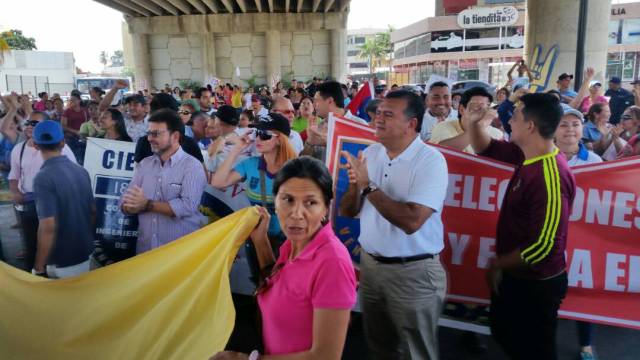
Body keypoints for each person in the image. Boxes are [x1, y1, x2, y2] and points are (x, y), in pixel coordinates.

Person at [211, 157, 357, 360]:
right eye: (288, 199)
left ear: (325, 209)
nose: (296, 214)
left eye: (311, 203)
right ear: (275, 202)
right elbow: (277, 284)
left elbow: (325, 356)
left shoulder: (332, 263)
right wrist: (260, 240)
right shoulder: (292, 244)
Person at [340, 90, 449, 360]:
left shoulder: (431, 161)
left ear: (411, 124)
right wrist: (355, 186)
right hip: (371, 268)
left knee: (417, 352)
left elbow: (412, 221)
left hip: (413, 272)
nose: (378, 119)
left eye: (388, 114)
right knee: (380, 346)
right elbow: (348, 210)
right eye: (378, 113)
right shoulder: (371, 153)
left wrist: (367, 186)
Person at [468, 93, 575, 360]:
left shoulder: (550, 175)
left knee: (534, 352)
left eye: (514, 117)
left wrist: (498, 264)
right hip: (517, 275)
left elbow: (544, 247)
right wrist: (472, 123)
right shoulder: (526, 154)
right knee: (504, 333)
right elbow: (485, 148)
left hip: (536, 284)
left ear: (530, 126)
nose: (508, 121)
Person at [212, 113, 297, 281]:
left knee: (287, 290)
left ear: (280, 139)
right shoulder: (250, 164)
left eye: (265, 135)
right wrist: (236, 150)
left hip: (289, 241)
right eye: (257, 133)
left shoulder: (296, 168)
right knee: (261, 286)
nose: (258, 139)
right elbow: (218, 182)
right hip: (256, 239)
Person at [120, 109, 207, 254]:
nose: (149, 138)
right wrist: (130, 207)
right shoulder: (144, 165)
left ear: (175, 136)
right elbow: (124, 203)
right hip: (145, 253)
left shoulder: (192, 166)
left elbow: (188, 206)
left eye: (156, 134)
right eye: (149, 133)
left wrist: (146, 204)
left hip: (179, 256)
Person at [8, 112, 76, 271]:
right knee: (31, 246)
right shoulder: (19, 148)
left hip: (53, 205)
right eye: (28, 122)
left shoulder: (61, 147)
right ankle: (34, 277)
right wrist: (15, 192)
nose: (30, 126)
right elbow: (14, 176)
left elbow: (72, 173)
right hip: (28, 205)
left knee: (52, 245)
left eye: (35, 123)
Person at [31, 120, 95, 278]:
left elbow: (48, 227)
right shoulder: (81, 171)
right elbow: (93, 212)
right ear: (62, 142)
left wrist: (39, 266)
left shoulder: (43, 178)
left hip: (61, 259)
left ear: (35, 145)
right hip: (84, 251)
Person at [430, 87, 503, 154]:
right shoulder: (442, 127)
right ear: (462, 110)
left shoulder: (497, 134)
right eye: (477, 108)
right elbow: (441, 152)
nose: (482, 113)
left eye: (486, 108)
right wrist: (479, 128)